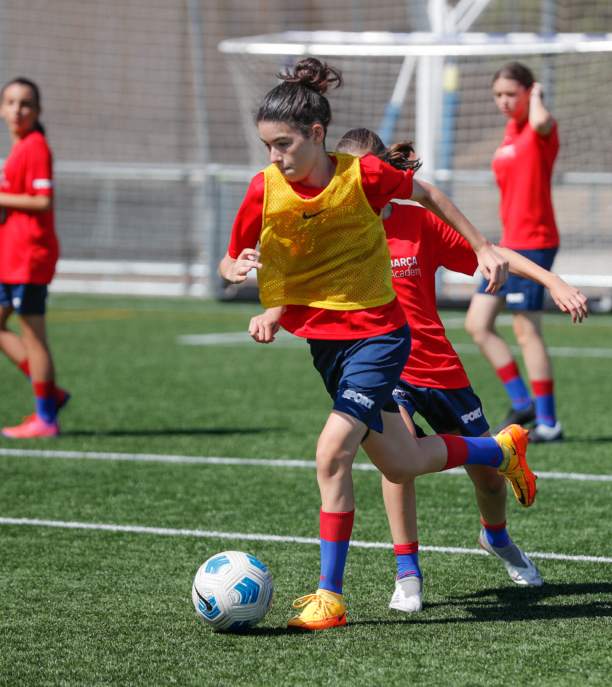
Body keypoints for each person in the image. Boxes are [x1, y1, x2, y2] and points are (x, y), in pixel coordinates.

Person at [219, 58, 538, 631]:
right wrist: (237, 268)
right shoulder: (263, 189)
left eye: (284, 145)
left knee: (331, 452)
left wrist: (481, 247)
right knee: (403, 460)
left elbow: (428, 193)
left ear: (317, 135)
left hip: (379, 337)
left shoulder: (361, 177)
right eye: (267, 146)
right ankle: (500, 450)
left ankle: (329, 596)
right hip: (327, 347)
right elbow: (231, 255)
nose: (275, 157)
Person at [335, 129, 588, 612]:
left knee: (490, 481)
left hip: (441, 369)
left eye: (372, 173)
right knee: (398, 459)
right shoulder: (339, 231)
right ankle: (407, 570)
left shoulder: (418, 222)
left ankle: (496, 537)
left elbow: (491, 252)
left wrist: (552, 280)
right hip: (385, 369)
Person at [465, 61, 564, 442]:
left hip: (535, 243)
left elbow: (540, 123)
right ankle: (521, 402)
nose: (504, 101)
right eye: (498, 95)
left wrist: (537, 95)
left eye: (512, 94)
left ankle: (549, 423)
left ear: (528, 92)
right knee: (477, 324)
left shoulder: (541, 129)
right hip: (508, 243)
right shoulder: (510, 131)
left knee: (526, 331)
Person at [0, 77, 69, 439]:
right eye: (11, 102)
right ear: (0, 108)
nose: (17, 109)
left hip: (29, 260)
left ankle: (46, 418)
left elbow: (42, 201)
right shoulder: (18, 150)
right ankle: (52, 393)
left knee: (34, 338)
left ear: (38, 111)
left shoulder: (35, 146)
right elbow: (14, 213)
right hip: (10, 259)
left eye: (26, 103)